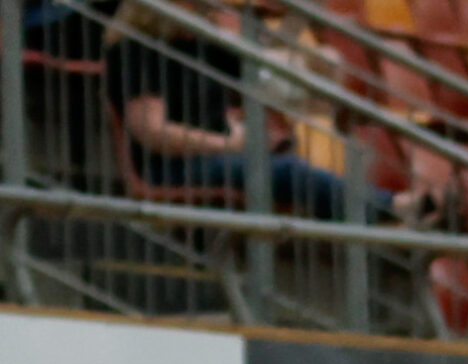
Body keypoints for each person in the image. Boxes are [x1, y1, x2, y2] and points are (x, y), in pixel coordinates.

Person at [103, 0, 433, 224]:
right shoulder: (135, 48)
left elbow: (269, 62)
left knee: (285, 162)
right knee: (284, 170)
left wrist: (307, 37)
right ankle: (392, 207)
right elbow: (152, 132)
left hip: (220, 154)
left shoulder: (200, 46)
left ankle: (388, 208)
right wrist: (230, 144)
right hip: (171, 168)